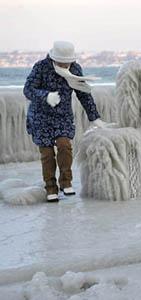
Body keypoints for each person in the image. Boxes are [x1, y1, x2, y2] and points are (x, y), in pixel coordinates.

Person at [24, 41, 107, 202]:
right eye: (62, 61)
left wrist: (94, 117)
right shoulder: (41, 67)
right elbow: (28, 89)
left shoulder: (74, 68)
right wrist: (45, 96)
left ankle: (66, 182)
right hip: (41, 117)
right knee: (47, 153)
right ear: (54, 58)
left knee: (65, 145)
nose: (65, 64)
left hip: (62, 117)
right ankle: (50, 188)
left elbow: (84, 94)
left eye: (68, 61)